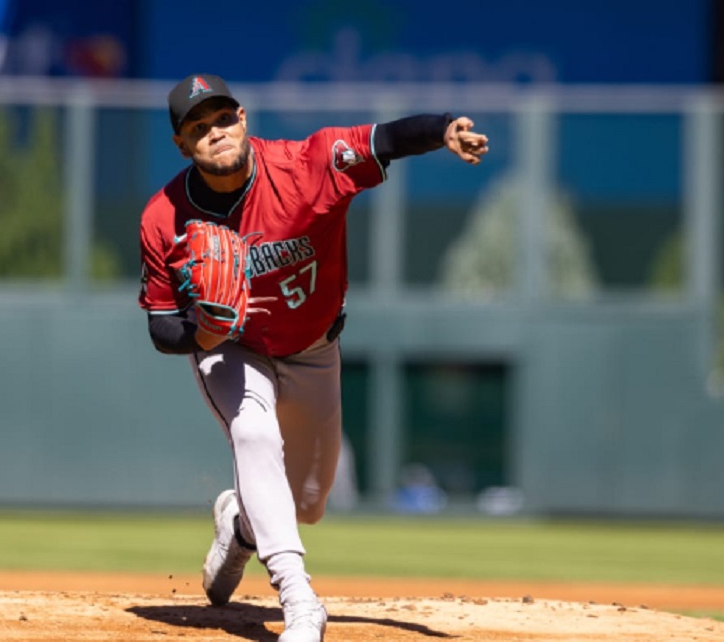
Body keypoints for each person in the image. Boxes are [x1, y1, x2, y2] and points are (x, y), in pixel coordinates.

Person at [137, 73, 488, 641]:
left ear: (243, 117)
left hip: (313, 348)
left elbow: (388, 139)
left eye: (223, 118)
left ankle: (241, 526)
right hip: (232, 349)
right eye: (198, 128)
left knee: (308, 501)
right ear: (181, 144)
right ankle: (300, 599)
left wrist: (444, 129)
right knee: (253, 433)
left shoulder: (309, 164)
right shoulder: (163, 217)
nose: (215, 132)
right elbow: (160, 327)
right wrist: (203, 335)